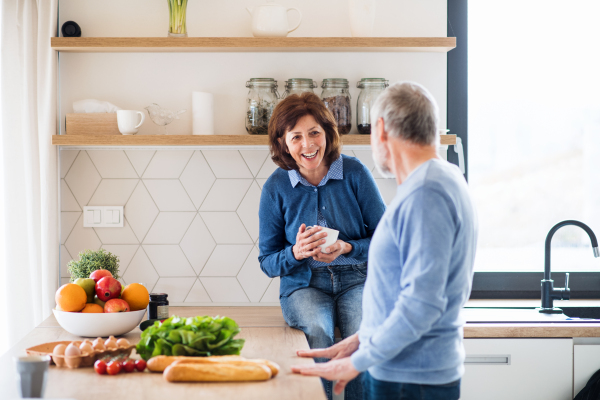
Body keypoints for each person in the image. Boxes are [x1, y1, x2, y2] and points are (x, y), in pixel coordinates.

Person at [291, 82, 478, 400]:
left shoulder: (427, 193)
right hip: (408, 372)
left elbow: (422, 304)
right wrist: (363, 338)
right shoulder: (437, 181)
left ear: (380, 129)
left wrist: (358, 362)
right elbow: (405, 290)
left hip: (410, 379)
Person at [258, 92, 386, 400]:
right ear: (282, 143)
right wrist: (296, 252)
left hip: (357, 278)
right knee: (317, 331)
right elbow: (267, 261)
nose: (308, 144)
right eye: (296, 137)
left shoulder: (354, 173)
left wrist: (346, 248)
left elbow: (387, 240)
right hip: (304, 284)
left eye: (314, 132)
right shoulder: (276, 187)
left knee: (360, 336)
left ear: (328, 133)